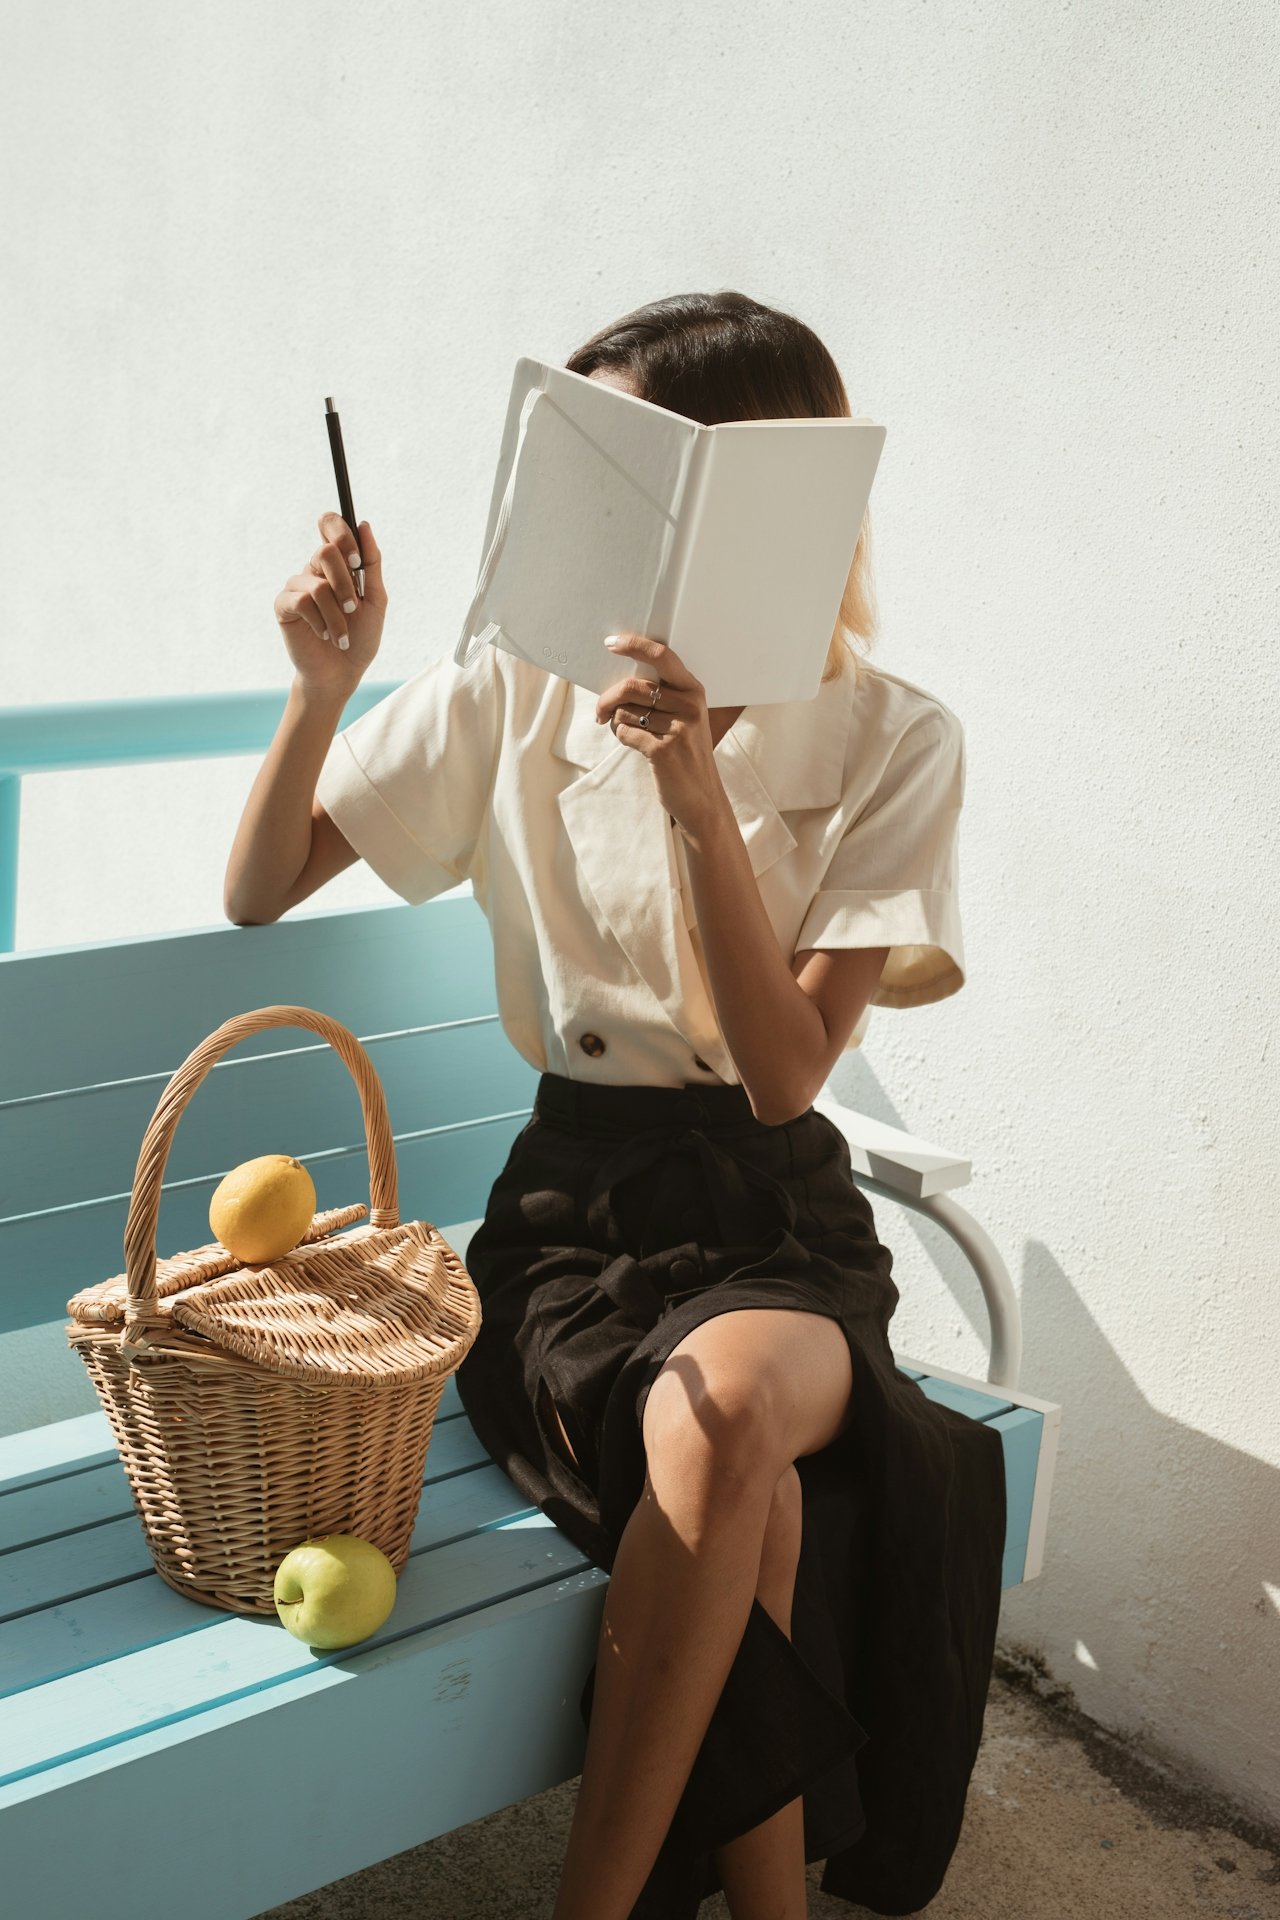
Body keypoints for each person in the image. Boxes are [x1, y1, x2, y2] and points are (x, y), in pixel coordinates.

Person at [223, 289, 1006, 1920]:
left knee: (724, 1419)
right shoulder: (515, 687)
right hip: (570, 1218)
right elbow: (261, 889)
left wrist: (696, 790)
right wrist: (323, 684)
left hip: (776, 1211)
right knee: (753, 1501)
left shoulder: (890, 736)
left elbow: (789, 1072)